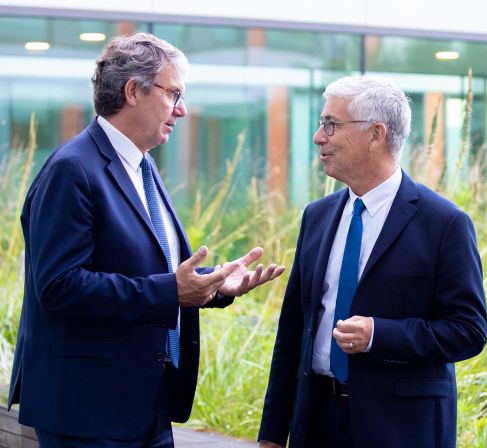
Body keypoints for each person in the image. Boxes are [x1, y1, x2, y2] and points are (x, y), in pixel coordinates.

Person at [8, 32, 285, 447]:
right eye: (173, 94)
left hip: (146, 403)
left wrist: (212, 284)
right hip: (88, 411)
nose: (182, 109)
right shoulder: (73, 169)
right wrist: (172, 291)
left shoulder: (143, 165)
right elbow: (59, 286)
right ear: (133, 91)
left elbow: (146, 269)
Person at [258, 75, 487, 448]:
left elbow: (468, 331)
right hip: (314, 422)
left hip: (399, 428)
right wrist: (272, 432)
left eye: (331, 124)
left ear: (375, 134)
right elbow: (293, 330)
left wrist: (379, 335)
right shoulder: (317, 216)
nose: (318, 137)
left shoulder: (444, 223)